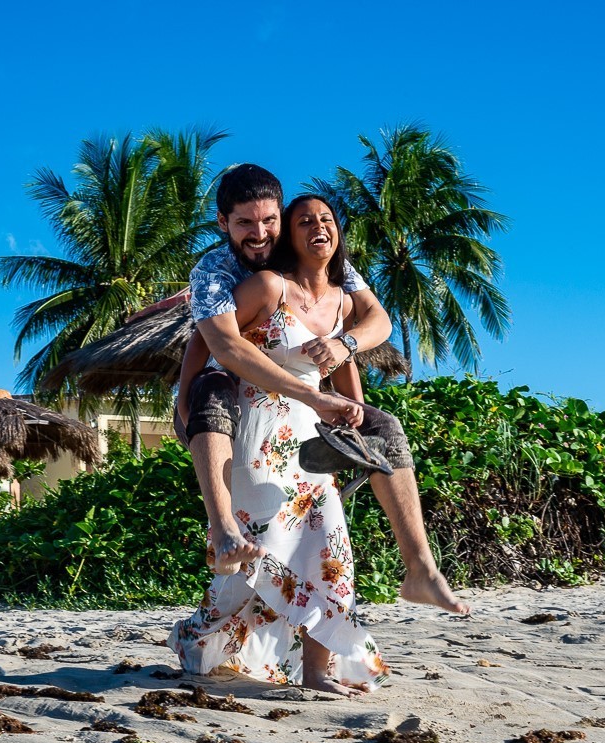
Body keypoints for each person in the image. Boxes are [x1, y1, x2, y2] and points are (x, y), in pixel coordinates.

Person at [176, 164, 468, 615]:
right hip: (235, 384)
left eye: (269, 221)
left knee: (384, 427)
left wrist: (347, 366)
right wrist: (183, 396)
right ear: (222, 223)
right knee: (212, 388)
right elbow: (215, 342)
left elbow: (374, 320)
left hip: (304, 398)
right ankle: (222, 532)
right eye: (244, 224)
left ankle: (421, 569)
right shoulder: (215, 269)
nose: (259, 234)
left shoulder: (319, 262)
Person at [169, 195, 391, 694]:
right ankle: (196, 638)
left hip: (311, 432)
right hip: (257, 431)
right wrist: (186, 402)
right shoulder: (265, 284)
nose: (317, 228)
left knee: (329, 547)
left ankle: (316, 670)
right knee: (259, 554)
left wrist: (351, 407)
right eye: (304, 222)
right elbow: (208, 342)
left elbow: (356, 344)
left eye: (326, 220)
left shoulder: (340, 287)